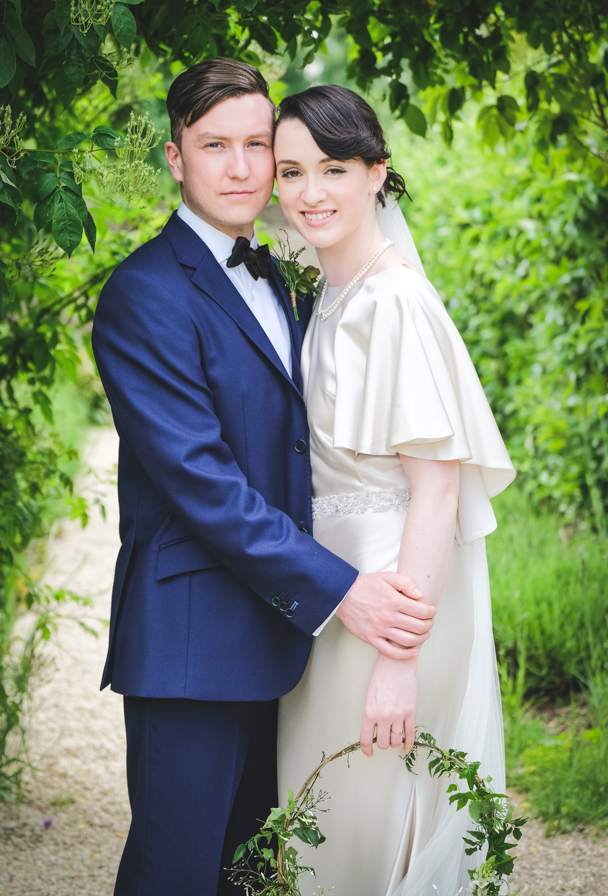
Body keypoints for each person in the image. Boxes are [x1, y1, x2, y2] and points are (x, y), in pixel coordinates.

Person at [91, 59, 436, 896]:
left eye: (257, 146)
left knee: (252, 873)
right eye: (215, 146)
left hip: (279, 640)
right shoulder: (143, 293)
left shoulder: (276, 272)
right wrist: (343, 588)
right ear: (177, 159)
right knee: (175, 872)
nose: (241, 168)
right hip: (191, 640)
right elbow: (202, 481)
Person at [274, 85, 516, 896]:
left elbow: (438, 495)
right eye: (292, 170)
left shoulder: (396, 301)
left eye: (334, 168)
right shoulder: (332, 293)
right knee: (334, 829)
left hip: (395, 606)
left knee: (378, 831)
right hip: (338, 595)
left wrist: (397, 664)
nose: (310, 192)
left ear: (377, 173)